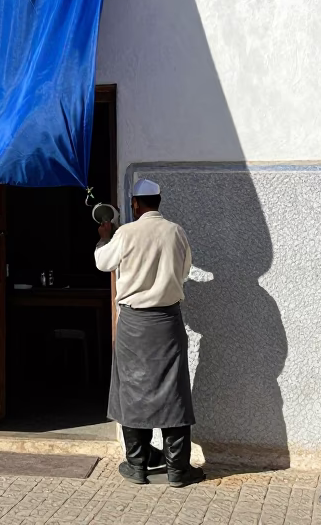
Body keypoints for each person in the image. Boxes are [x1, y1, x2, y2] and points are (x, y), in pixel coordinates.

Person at [94, 178, 204, 487]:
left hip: (134, 325)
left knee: (132, 391)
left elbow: (103, 263)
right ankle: (178, 470)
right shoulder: (175, 232)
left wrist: (104, 238)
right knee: (174, 392)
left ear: (135, 204)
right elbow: (184, 272)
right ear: (159, 201)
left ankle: (138, 466)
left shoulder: (126, 233)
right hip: (167, 323)